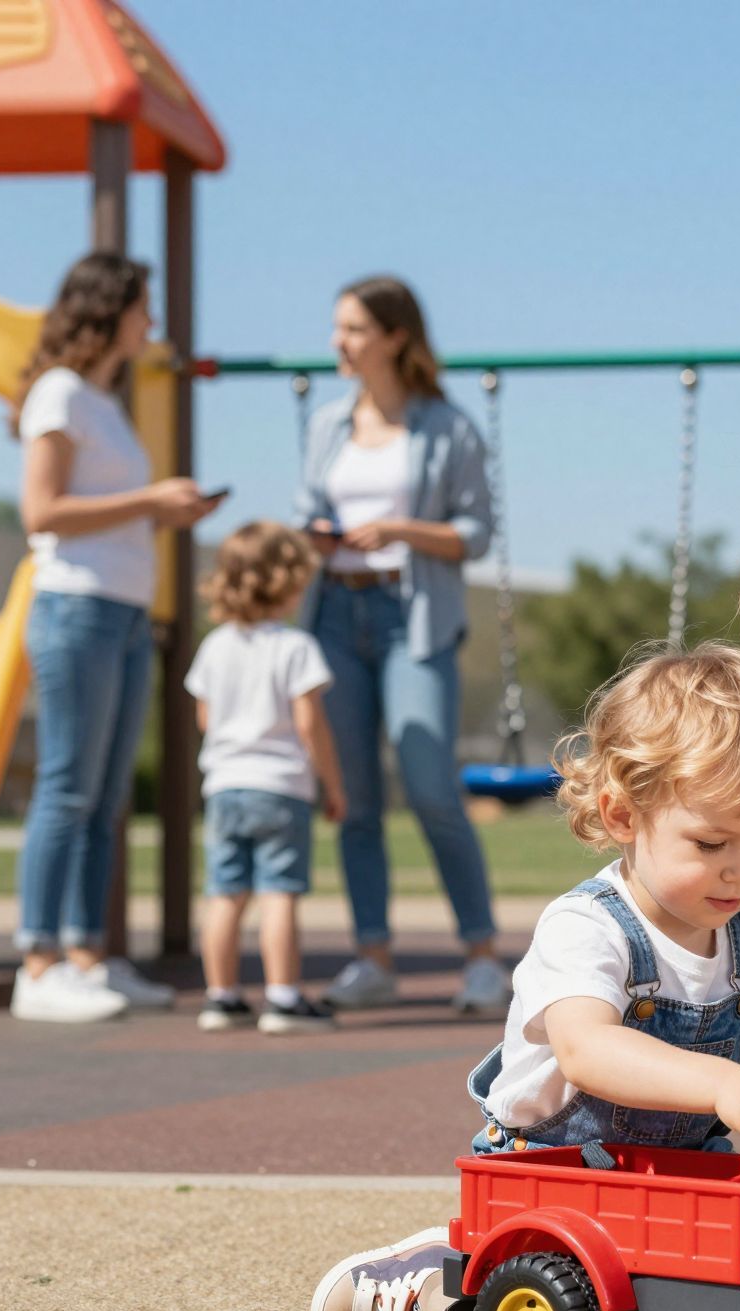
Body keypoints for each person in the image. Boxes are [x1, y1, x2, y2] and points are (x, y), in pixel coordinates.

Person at [311, 645, 740, 1311]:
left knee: (725, 1287)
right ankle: (427, 1283)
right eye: (711, 843)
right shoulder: (586, 926)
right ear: (622, 816)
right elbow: (587, 1050)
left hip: (672, 1177)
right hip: (547, 1171)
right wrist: (727, 1083)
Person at [11, 252, 223, 1024]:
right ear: (109, 311)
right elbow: (43, 511)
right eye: (142, 307)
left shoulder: (101, 399)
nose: (151, 322)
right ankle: (37, 963)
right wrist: (148, 498)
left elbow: (101, 505)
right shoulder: (60, 394)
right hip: (77, 609)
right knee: (68, 788)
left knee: (101, 800)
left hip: (125, 612)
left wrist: (159, 510)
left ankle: (88, 957)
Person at [295, 275, 506, 1017]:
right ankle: (371, 953)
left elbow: (475, 533)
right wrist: (314, 538)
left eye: (352, 329)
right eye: (338, 328)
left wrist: (400, 533)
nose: (338, 343)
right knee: (350, 799)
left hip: (410, 616)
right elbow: (309, 510)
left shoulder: (448, 428)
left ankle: (483, 954)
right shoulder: (326, 425)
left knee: (428, 788)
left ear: (394, 337)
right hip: (334, 617)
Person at [185, 522, 347, 1035]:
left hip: (225, 785)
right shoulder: (295, 647)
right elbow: (308, 723)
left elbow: (204, 720)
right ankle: (281, 998)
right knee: (279, 892)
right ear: (291, 583)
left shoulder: (214, 647)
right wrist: (332, 784)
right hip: (280, 786)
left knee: (224, 893)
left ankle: (221, 996)